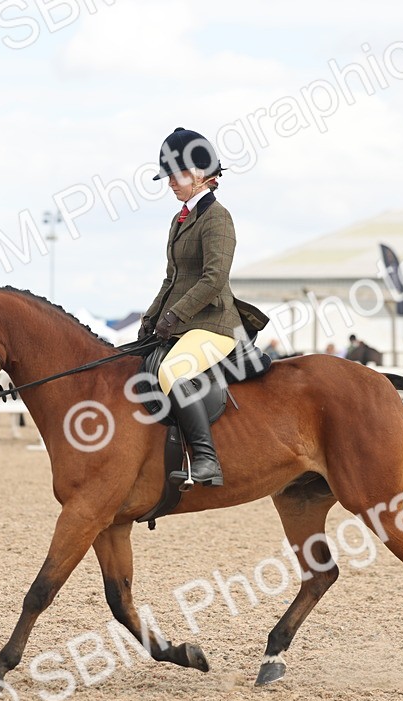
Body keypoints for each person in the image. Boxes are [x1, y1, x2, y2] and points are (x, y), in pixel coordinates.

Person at [139, 127, 268, 487]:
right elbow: (172, 278)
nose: (170, 184)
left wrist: (175, 315)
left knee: (174, 372)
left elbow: (213, 279)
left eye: (176, 176)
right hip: (184, 325)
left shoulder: (217, 217)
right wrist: (151, 318)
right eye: (168, 177)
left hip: (214, 325)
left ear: (200, 175)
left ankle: (206, 460)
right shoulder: (180, 218)